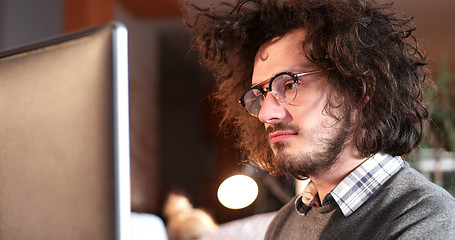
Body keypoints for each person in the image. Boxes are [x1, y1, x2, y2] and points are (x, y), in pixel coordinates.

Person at [185, 0, 455, 239]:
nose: (267, 115)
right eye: (259, 95)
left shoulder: (426, 218)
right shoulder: (284, 223)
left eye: (289, 85)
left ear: (359, 89)